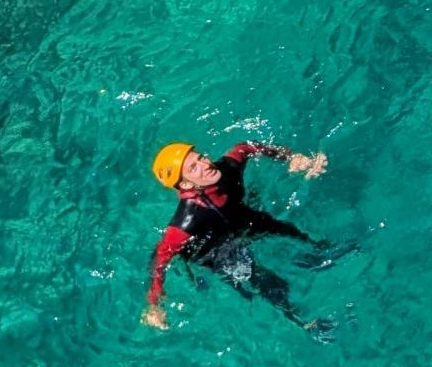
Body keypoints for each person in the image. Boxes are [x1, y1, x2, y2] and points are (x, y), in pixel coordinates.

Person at [140, 139, 336, 335]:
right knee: (267, 283)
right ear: (185, 183)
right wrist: (154, 306)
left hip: (242, 220)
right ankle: (303, 322)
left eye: (200, 157)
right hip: (217, 249)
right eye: (194, 168)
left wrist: (291, 157)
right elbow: (158, 259)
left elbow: (245, 147)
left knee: (287, 230)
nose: (205, 164)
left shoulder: (227, 168)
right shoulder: (186, 222)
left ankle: (325, 251)